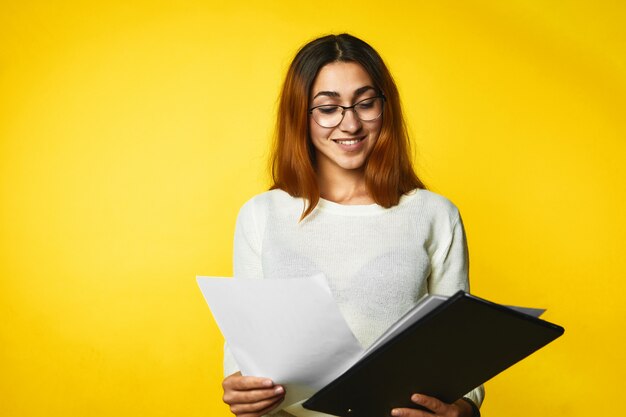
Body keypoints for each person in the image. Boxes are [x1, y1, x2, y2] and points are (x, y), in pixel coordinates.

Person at [220, 33, 484, 417]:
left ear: (384, 106)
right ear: (300, 115)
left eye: (365, 103)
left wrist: (463, 408)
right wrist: (243, 391)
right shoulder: (262, 215)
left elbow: (460, 351)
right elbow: (244, 355)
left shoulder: (434, 214)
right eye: (328, 108)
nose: (351, 123)